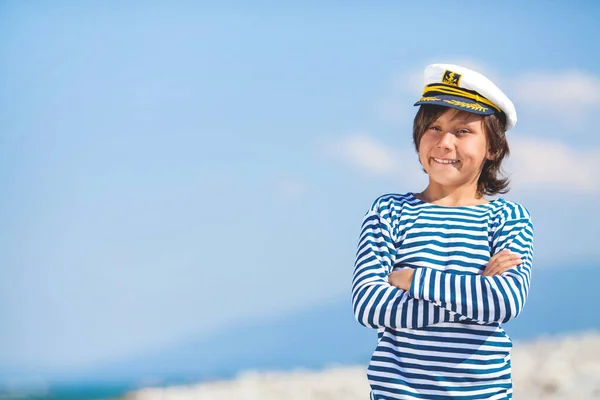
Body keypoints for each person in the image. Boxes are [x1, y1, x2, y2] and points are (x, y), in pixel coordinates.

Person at [351, 63, 534, 400]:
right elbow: (368, 305)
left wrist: (412, 280)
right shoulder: (389, 211)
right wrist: (473, 294)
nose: (444, 142)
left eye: (463, 131)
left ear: (492, 148)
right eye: (434, 127)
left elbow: (504, 301)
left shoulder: (509, 218)